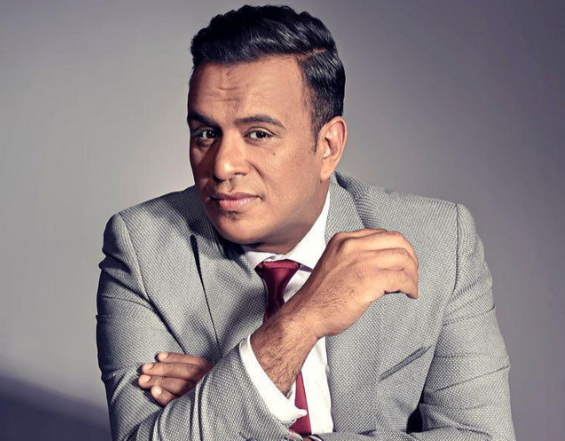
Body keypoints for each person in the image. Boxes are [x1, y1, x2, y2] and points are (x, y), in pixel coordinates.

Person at [96, 5, 515, 441]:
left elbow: (483, 437)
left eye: (258, 134)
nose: (222, 165)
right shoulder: (142, 249)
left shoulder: (440, 240)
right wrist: (302, 320)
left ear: (328, 146)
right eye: (206, 133)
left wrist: (231, 403)